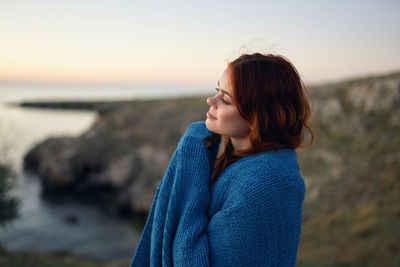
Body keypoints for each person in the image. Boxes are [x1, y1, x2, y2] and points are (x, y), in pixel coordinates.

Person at [130, 53, 313, 266]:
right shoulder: (249, 165)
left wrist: (191, 158)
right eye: (217, 90)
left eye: (225, 99)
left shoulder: (259, 185)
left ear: (258, 117)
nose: (211, 100)